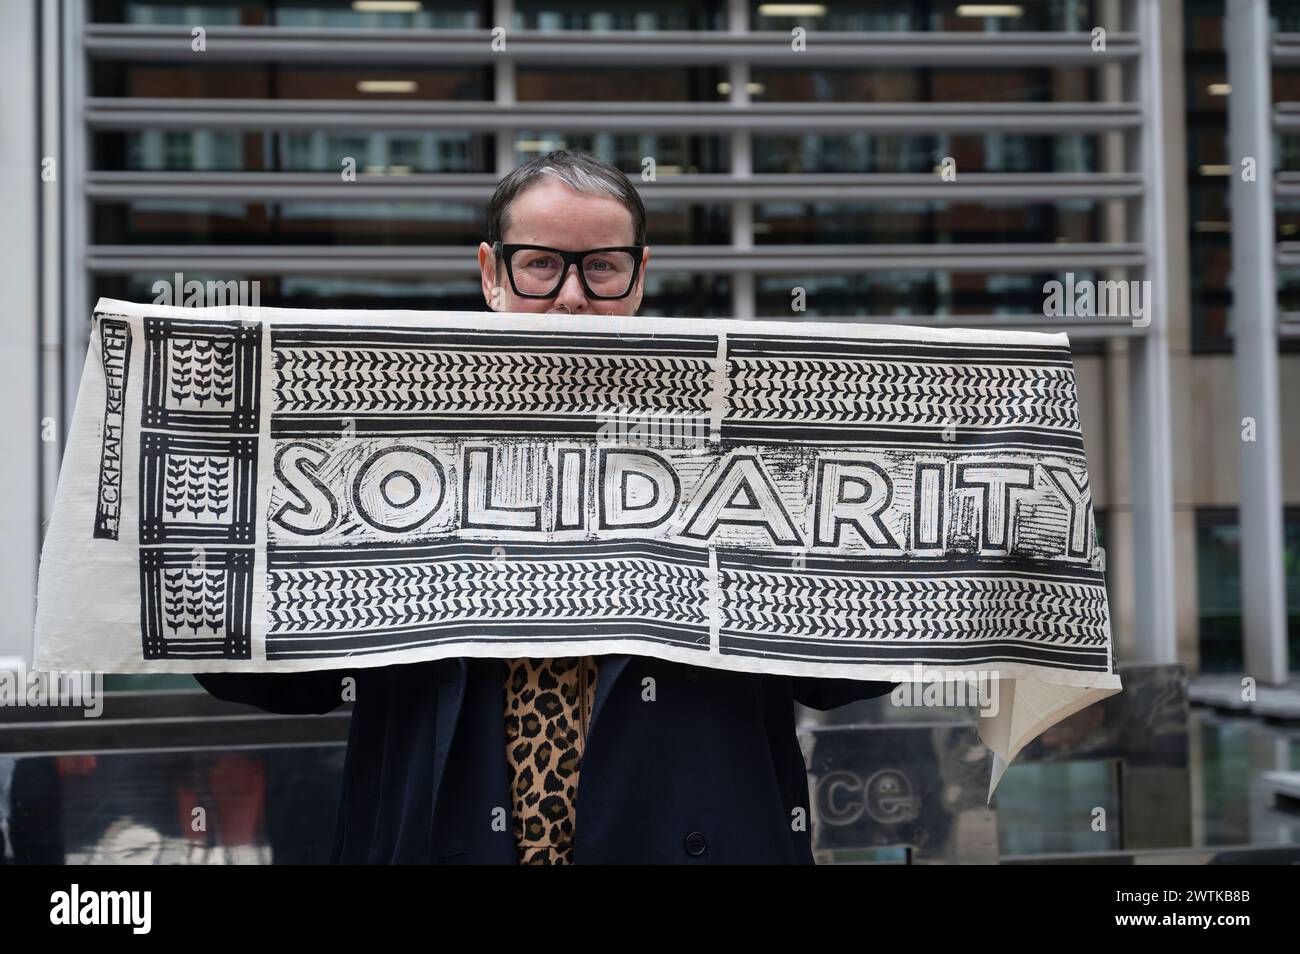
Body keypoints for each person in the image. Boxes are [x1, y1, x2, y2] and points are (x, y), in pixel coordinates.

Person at [196, 149, 899, 864]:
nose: (571, 296)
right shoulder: (395, 441)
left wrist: (933, 558)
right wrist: (204, 549)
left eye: (601, 266)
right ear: (490, 273)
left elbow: (838, 676)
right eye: (540, 264)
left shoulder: (737, 439)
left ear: (639, 276)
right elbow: (274, 675)